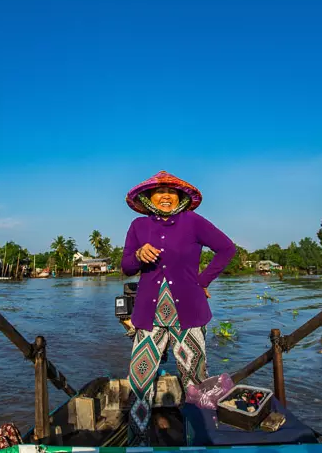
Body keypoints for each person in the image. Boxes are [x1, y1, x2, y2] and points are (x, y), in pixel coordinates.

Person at [121, 170, 236, 443]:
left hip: (189, 317)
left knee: (195, 383)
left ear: (181, 197)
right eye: (160, 192)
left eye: (172, 192)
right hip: (149, 319)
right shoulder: (138, 226)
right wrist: (138, 255)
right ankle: (138, 442)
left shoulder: (193, 222)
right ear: (148, 197)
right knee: (140, 382)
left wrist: (202, 280)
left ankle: (199, 440)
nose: (166, 196)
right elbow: (126, 267)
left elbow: (227, 249)